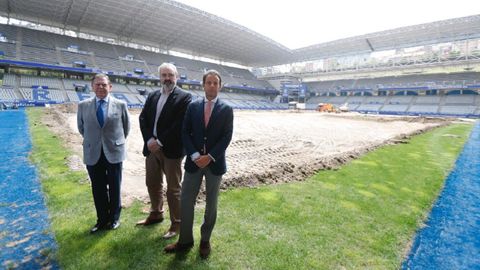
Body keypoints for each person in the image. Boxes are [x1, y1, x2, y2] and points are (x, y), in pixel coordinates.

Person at [164, 70, 234, 258]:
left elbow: (226, 136)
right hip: (194, 163)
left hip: (215, 164)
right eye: (208, 82)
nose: (212, 86)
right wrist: (195, 154)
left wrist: (210, 156)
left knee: (212, 204)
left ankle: (205, 240)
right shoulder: (193, 107)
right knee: (186, 201)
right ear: (203, 85)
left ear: (220, 86)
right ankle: (185, 241)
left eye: (215, 83)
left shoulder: (226, 109)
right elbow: (185, 132)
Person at [138, 63, 192, 239]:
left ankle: (177, 223)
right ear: (159, 77)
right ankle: (156, 213)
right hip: (152, 149)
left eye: (170, 75)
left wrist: (159, 141)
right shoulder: (153, 95)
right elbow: (143, 118)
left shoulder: (184, 97)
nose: (167, 78)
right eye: (163, 75)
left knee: (173, 189)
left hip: (172, 150)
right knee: (152, 183)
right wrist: (149, 140)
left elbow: (179, 125)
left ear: (176, 77)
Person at [77, 73, 130, 233]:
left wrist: (113, 142)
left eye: (104, 85)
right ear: (92, 87)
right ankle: (101, 220)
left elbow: (125, 128)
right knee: (98, 188)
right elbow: (82, 128)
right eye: (97, 84)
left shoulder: (120, 104)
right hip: (93, 152)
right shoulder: (83, 105)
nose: (101, 87)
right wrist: (95, 141)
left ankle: (114, 219)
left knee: (114, 187)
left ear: (110, 87)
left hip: (114, 151)